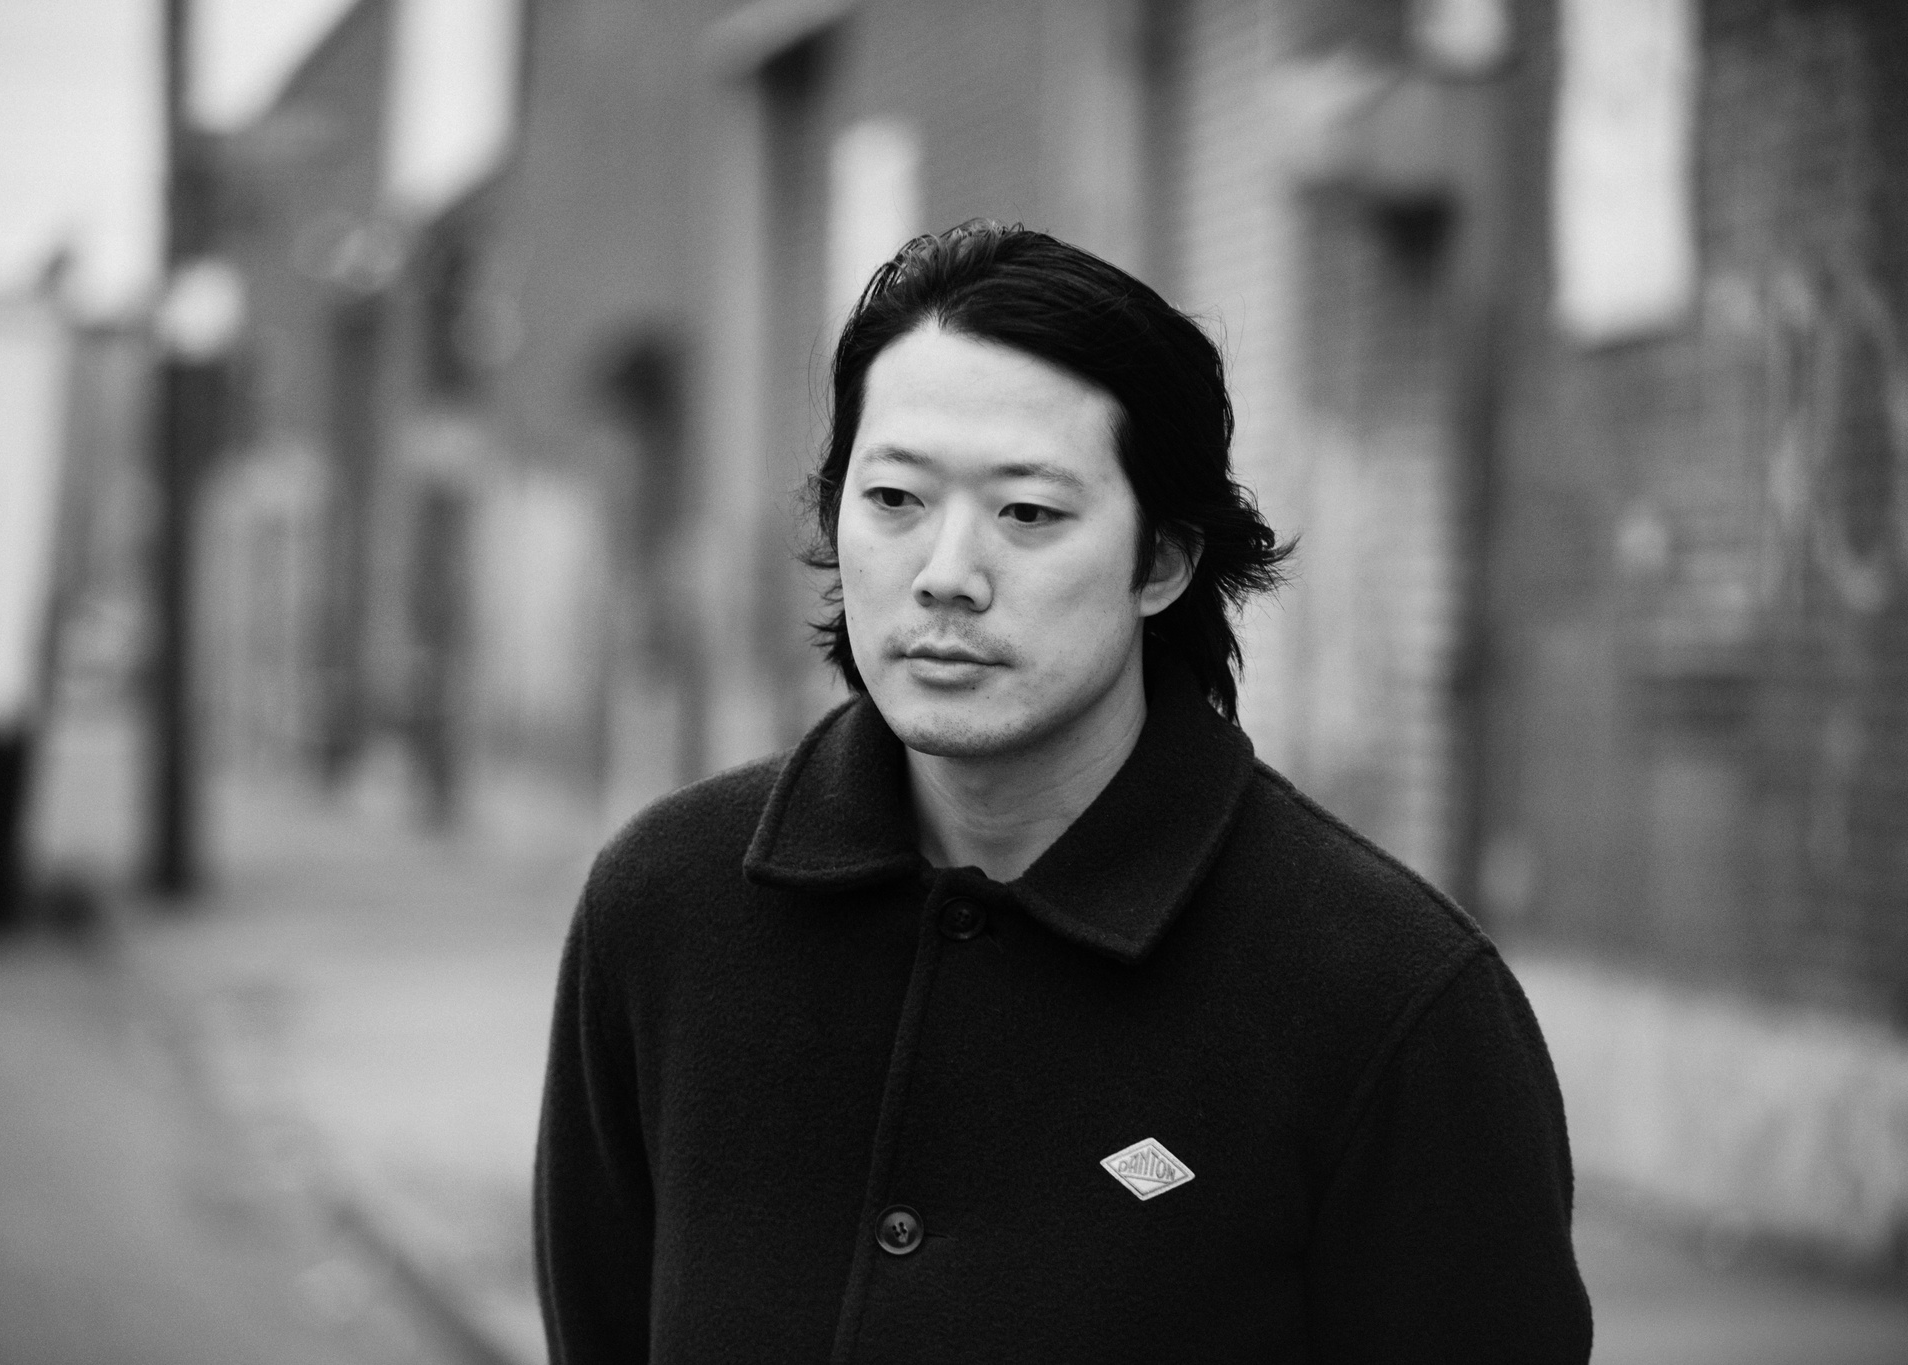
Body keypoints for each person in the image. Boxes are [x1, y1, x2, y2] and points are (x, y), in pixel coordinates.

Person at [536, 221, 1592, 1363]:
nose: (944, 574)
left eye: (1026, 513)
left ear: (1162, 561)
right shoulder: (666, 908)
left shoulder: (1385, 997)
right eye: (892, 499)